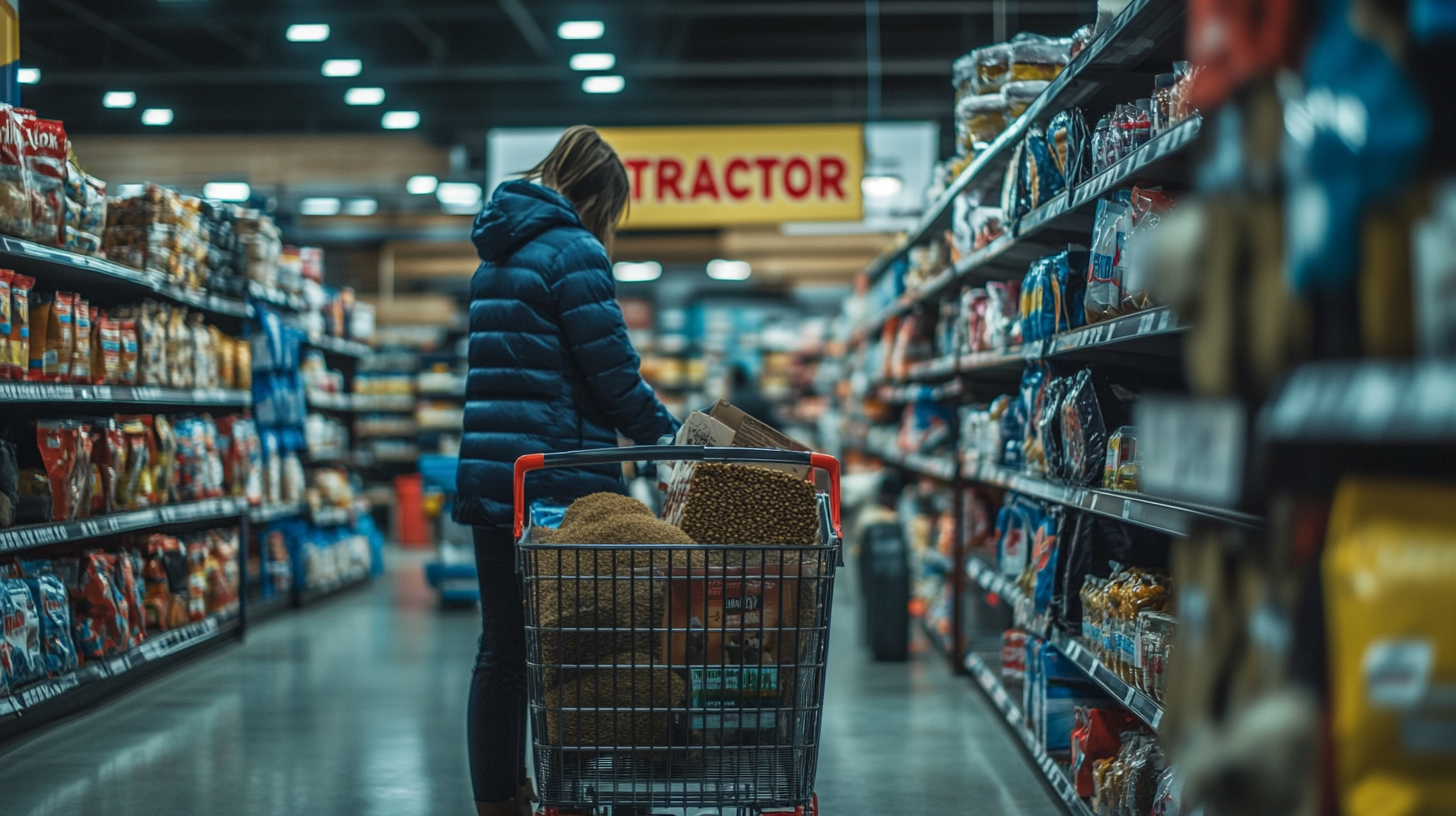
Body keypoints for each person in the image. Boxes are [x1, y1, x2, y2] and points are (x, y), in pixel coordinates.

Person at [453, 126, 680, 816]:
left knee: (503, 647)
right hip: (560, 482)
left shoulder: (497, 252)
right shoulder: (575, 249)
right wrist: (667, 437)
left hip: (497, 478)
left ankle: (499, 799)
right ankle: (576, 794)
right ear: (598, 197)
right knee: (582, 641)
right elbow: (612, 374)